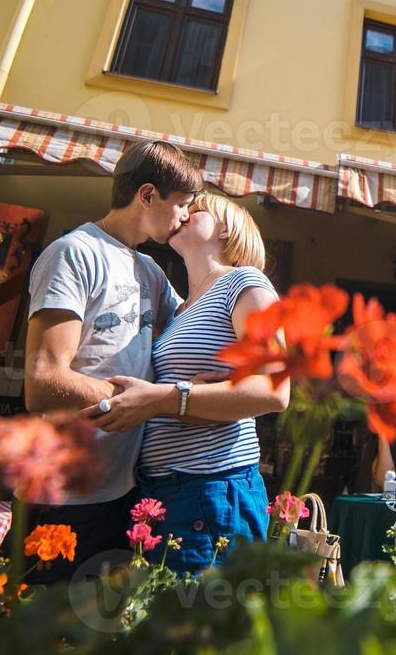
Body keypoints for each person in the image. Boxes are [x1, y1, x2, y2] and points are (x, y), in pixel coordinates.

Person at [22, 139, 200, 583]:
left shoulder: (151, 272)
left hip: (125, 489)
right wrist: (136, 399)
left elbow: (197, 326)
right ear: (146, 195)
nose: (184, 217)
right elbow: (42, 381)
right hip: (63, 494)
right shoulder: (74, 253)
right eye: (180, 205)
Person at [86, 192, 285, 575]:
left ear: (225, 229)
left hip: (212, 490)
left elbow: (275, 389)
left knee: (203, 627)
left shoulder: (245, 282)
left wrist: (170, 397)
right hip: (159, 492)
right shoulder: (181, 308)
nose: (182, 214)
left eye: (196, 210)